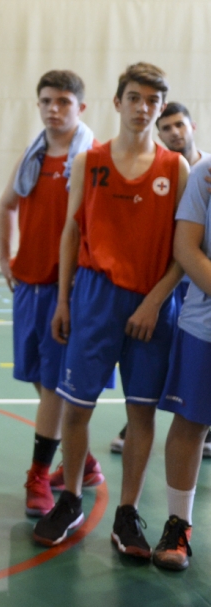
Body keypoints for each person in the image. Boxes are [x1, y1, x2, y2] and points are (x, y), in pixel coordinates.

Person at [35, 63, 187, 558]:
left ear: (160, 107)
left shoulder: (175, 168)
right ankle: (71, 499)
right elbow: (72, 231)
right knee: (76, 408)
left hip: (150, 304)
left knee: (140, 412)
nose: (143, 108)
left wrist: (155, 301)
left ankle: (127, 512)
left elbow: (183, 249)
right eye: (135, 98)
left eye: (152, 100)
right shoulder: (89, 161)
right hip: (94, 297)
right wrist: (63, 299)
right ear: (118, 102)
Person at [0, 70, 102, 519]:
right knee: (42, 381)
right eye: (46, 101)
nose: (53, 109)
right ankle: (86, 463)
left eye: (63, 101)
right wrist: (5, 258)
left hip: (68, 290)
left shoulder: (93, 160)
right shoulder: (33, 155)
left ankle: (39, 475)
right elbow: (6, 205)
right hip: (29, 284)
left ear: (81, 107)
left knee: (55, 386)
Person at [113, 100, 211, 457]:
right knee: (165, 359)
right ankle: (140, 419)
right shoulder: (167, 172)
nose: (174, 132)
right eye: (166, 128)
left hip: (197, 285)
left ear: (192, 126)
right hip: (177, 284)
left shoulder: (201, 168)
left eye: (179, 125)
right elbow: (180, 244)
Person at [154, 154, 211, 569]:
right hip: (203, 328)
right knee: (190, 424)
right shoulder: (205, 173)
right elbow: (186, 248)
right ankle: (178, 524)